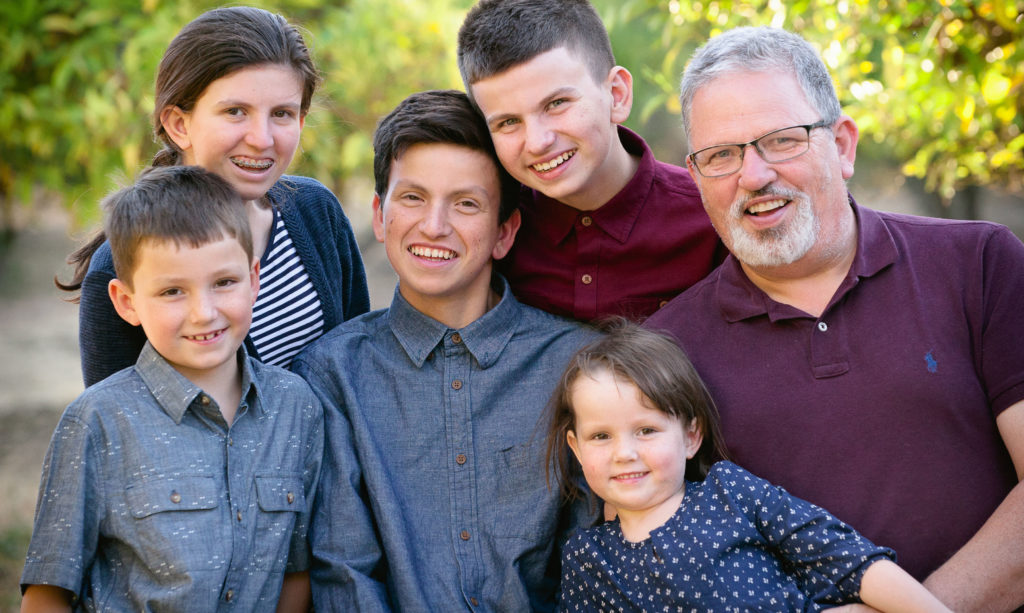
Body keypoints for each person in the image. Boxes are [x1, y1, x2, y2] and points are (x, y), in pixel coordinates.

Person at [644, 26, 1024, 612]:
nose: (753, 176)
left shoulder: (979, 262)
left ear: (842, 146)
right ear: (695, 178)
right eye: (721, 155)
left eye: (782, 140)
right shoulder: (665, 352)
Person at [292, 89, 599, 612]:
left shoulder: (577, 364)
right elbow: (344, 572)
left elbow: (598, 556)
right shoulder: (331, 373)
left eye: (466, 204)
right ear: (380, 215)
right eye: (412, 198)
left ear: (504, 232)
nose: (434, 225)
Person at [20, 166, 322, 612]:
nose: (204, 312)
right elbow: (48, 593)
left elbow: (296, 572)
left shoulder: (296, 408)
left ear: (255, 279)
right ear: (127, 302)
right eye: (172, 291)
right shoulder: (97, 422)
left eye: (224, 282)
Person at [59, 6, 369, 386]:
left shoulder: (316, 210)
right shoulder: (125, 262)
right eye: (236, 111)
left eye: (282, 114)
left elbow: (357, 365)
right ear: (179, 124)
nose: (262, 139)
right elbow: (121, 427)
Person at [547, 322, 951, 611]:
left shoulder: (729, 494)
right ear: (576, 449)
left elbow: (848, 560)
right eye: (601, 436)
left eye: (647, 430)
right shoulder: (589, 558)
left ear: (691, 436)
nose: (624, 453)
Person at [456, 0, 723, 322]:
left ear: (617, 94)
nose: (539, 142)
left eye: (556, 103)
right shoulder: (491, 228)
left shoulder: (711, 217)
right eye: (508, 122)